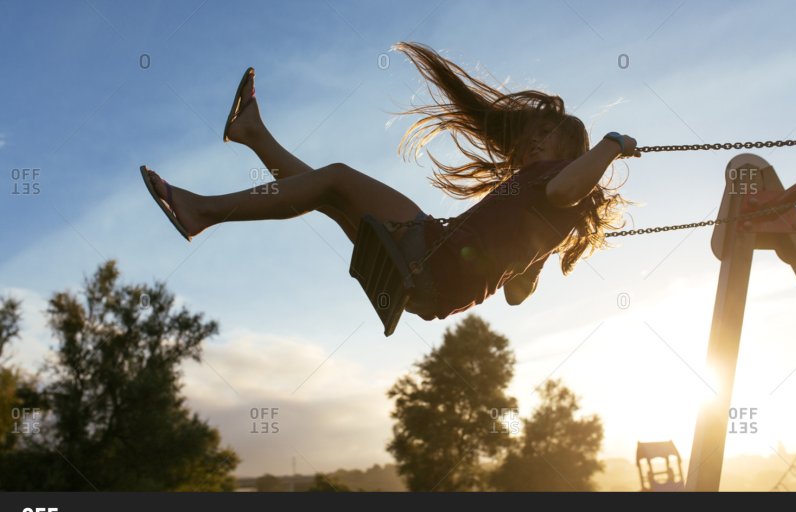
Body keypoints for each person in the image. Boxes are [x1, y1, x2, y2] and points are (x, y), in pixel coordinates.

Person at [141, 42, 638, 321]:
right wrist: (532, 265)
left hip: (430, 256)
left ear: (571, 151)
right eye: (531, 134)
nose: (533, 143)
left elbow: (567, 188)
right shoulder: (542, 216)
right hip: (428, 285)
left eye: (546, 136)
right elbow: (514, 294)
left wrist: (612, 143)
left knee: (336, 178)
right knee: (329, 193)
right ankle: (251, 133)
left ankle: (202, 210)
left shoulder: (559, 182)